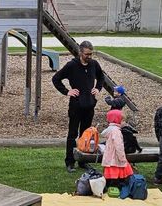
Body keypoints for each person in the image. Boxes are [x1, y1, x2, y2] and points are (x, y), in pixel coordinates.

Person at [52, 40, 104, 172]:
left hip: (89, 106)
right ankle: (70, 162)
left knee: (86, 135)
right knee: (73, 134)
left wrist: (97, 88)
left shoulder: (94, 64)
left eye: (91, 54)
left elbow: (101, 78)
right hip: (76, 106)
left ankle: (83, 161)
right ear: (80, 52)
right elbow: (56, 79)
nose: (89, 56)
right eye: (87, 54)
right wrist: (67, 91)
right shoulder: (72, 65)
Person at [100, 109, 134, 185]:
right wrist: (122, 157)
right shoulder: (116, 131)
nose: (124, 123)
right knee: (118, 173)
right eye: (123, 121)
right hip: (115, 157)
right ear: (117, 120)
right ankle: (118, 185)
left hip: (109, 157)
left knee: (110, 174)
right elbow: (119, 145)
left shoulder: (110, 130)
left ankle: (109, 185)